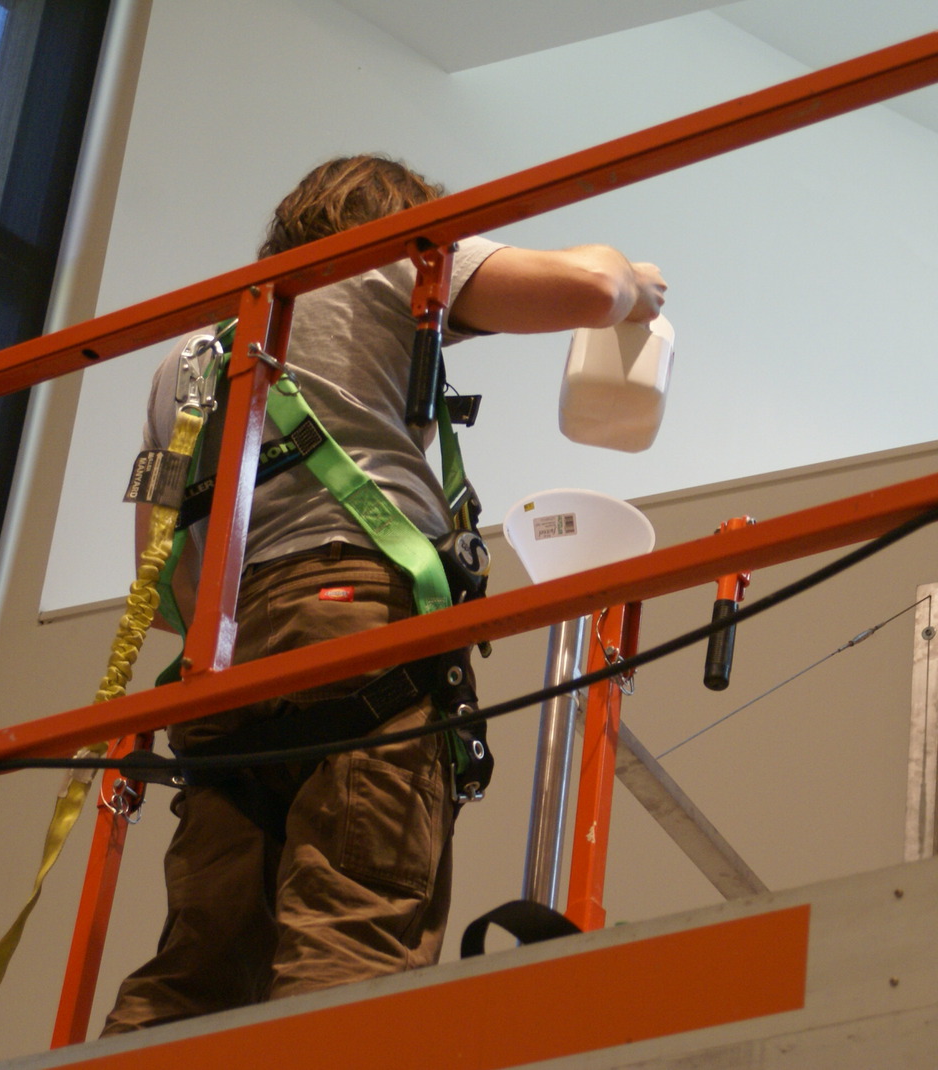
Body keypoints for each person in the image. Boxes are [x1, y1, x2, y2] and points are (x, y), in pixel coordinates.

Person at [101, 154, 666, 1033]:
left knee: (198, 966)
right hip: (357, 618)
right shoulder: (393, 262)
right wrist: (634, 283)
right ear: (402, 220)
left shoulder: (191, 356)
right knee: (352, 932)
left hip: (227, 663)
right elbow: (592, 288)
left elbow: (162, 576)